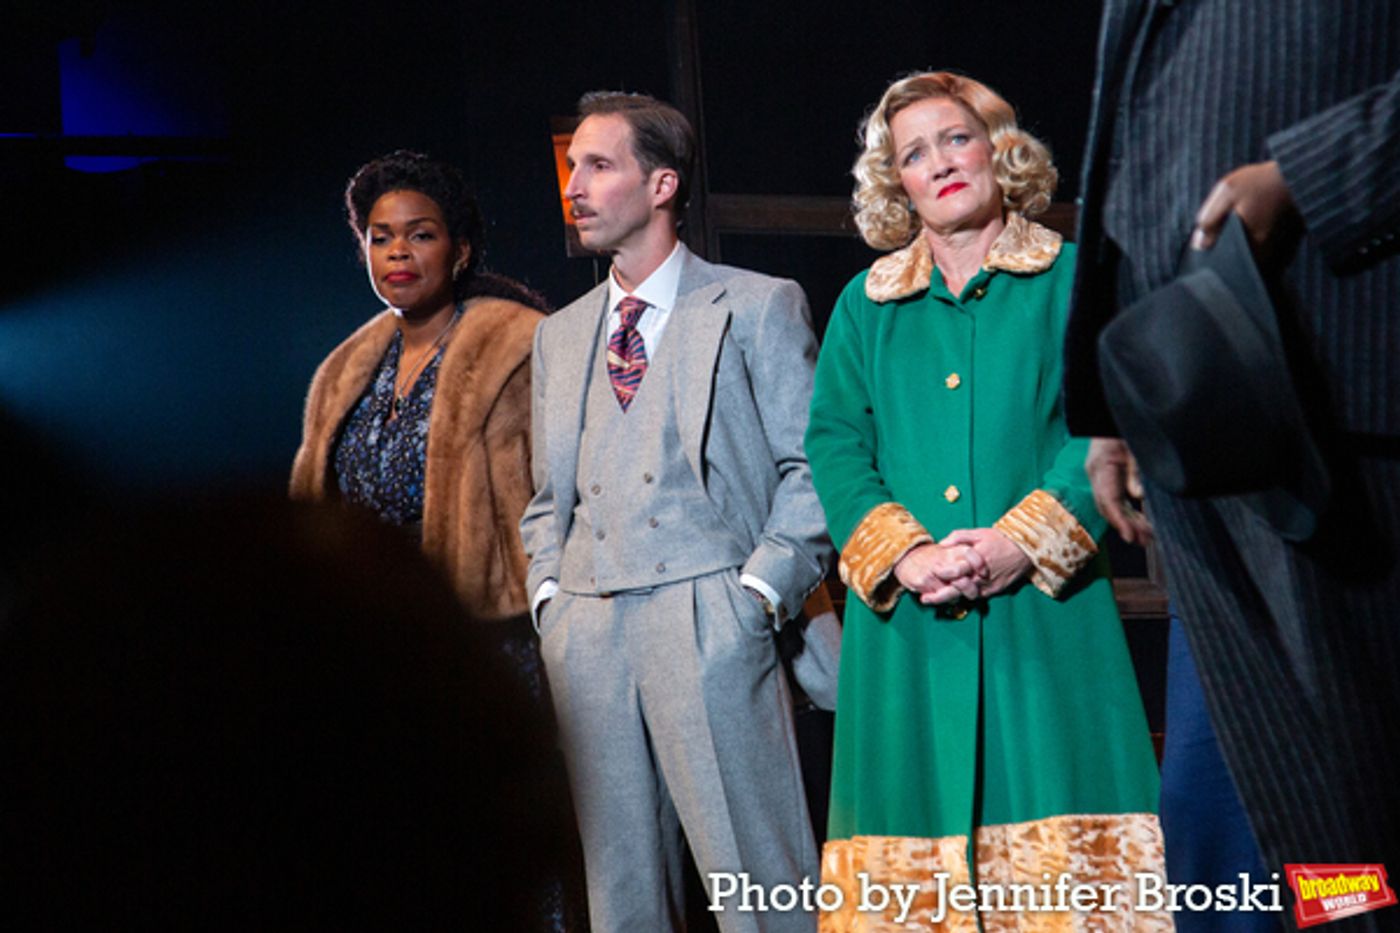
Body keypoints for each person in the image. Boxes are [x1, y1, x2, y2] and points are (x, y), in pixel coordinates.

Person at [1065, 3, 1400, 927]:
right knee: (1305, 797)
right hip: (1196, 403)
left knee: (1370, 773)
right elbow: (1128, 127)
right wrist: (1112, 398)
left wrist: (1306, 175)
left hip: (1343, 387)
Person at [805, 71, 1165, 930]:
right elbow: (835, 443)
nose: (940, 162)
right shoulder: (866, 304)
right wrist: (906, 553)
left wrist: (1022, 540)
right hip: (908, 631)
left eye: (956, 138)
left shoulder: (1074, 279)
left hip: (1047, 618)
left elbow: (1107, 426)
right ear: (898, 183)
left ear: (998, 151)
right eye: (914, 154)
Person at [520, 91, 831, 933]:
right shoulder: (562, 333)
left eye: (598, 164)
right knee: (621, 897)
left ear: (661, 185)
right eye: (570, 165)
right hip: (588, 627)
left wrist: (759, 592)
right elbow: (550, 495)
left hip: (711, 614)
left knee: (761, 886)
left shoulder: (756, 304)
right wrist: (551, 596)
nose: (573, 186)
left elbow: (813, 467)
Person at [289, 151, 583, 931]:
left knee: (495, 855)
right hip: (373, 653)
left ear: (459, 248)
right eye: (380, 238)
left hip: (490, 648)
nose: (397, 254)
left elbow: (557, 496)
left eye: (418, 235)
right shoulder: (347, 366)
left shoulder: (520, 346)